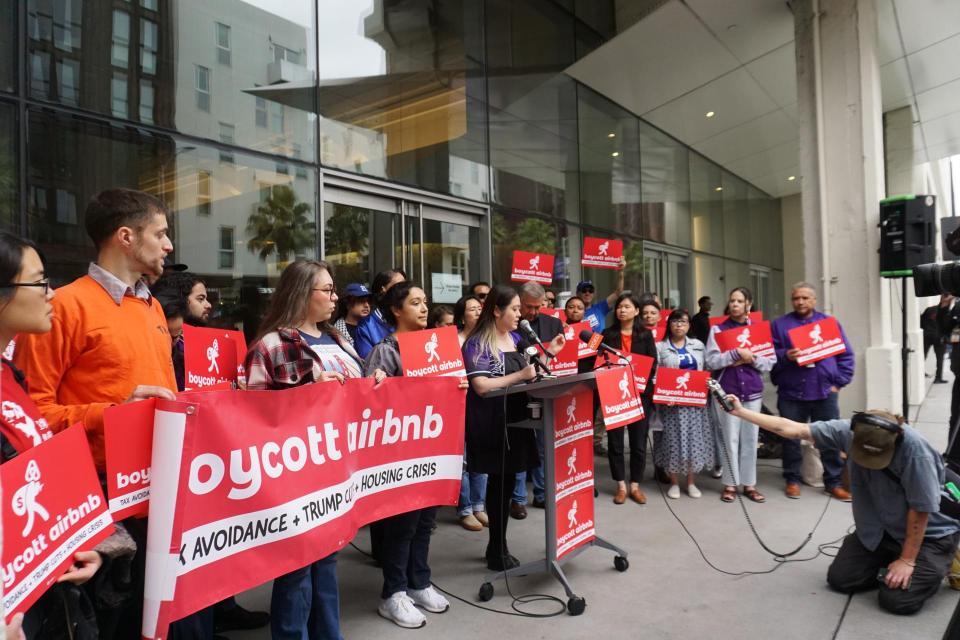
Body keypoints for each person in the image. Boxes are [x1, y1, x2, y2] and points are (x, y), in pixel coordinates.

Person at [14, 189, 178, 639]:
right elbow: (26, 418)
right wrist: (110, 415)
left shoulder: (154, 306)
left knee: (149, 614)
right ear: (126, 236)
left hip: (156, 488)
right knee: (103, 620)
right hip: (98, 497)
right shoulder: (63, 306)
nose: (168, 245)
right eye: (161, 234)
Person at [726, 400, 960, 615]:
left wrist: (908, 561)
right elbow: (793, 429)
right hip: (881, 530)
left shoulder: (916, 453)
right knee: (841, 580)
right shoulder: (848, 430)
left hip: (929, 535)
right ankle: (894, 561)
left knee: (897, 601)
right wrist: (740, 412)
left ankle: (943, 560)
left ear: (897, 438)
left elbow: (920, 511)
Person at [0, 231, 122, 638]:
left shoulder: (11, 376)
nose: (51, 294)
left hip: (46, 590)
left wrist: (72, 546)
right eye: (38, 282)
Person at [244, 259, 363, 640]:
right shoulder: (271, 346)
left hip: (336, 470)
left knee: (327, 559)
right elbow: (251, 416)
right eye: (326, 290)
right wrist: (307, 394)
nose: (335, 297)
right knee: (296, 567)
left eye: (333, 289)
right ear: (300, 293)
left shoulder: (340, 340)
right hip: (294, 475)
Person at [364, 282, 457, 628]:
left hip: (434, 448)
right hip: (401, 455)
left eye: (425, 302)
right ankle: (393, 593)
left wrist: (456, 385)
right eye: (414, 302)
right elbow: (372, 404)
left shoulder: (438, 347)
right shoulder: (385, 350)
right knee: (402, 525)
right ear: (395, 310)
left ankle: (419, 583)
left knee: (424, 523)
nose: (423, 308)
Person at [464, 284, 564, 571]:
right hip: (493, 423)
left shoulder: (517, 337)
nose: (521, 315)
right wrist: (520, 375)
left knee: (507, 485)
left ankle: (498, 544)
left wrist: (550, 354)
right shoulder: (478, 343)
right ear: (496, 310)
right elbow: (481, 385)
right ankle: (496, 548)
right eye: (516, 309)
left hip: (518, 420)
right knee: (498, 484)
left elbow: (531, 373)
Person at [770, 282, 854, 500]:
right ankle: (792, 479)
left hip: (824, 391)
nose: (800, 302)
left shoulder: (829, 323)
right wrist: (786, 355)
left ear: (814, 300)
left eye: (805, 298)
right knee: (790, 438)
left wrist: (839, 383)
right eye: (796, 298)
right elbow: (769, 355)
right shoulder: (780, 325)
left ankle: (833, 482)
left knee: (829, 438)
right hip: (791, 391)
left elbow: (846, 355)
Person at [706, 287, 775, 503]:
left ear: (748, 304)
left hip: (752, 392)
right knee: (730, 438)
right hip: (728, 391)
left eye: (739, 301)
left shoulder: (759, 330)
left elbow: (770, 362)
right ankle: (730, 484)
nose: (735, 304)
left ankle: (749, 484)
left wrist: (751, 358)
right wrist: (735, 354)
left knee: (750, 439)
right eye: (732, 300)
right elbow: (711, 361)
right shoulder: (718, 330)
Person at [510, 282, 563, 517]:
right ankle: (518, 498)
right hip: (517, 391)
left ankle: (542, 494)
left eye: (538, 307)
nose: (533, 312)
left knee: (543, 445)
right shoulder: (511, 325)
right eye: (528, 307)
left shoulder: (553, 323)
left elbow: (562, 358)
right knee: (520, 445)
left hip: (546, 393)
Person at [602, 293, 657, 504]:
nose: (621, 310)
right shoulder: (607, 334)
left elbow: (652, 363)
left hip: (639, 395)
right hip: (613, 394)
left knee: (639, 442)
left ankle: (635, 485)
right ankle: (621, 486)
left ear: (636, 311)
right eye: (619, 307)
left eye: (626, 307)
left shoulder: (646, 336)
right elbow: (597, 358)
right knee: (615, 442)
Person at [655, 308, 713, 499]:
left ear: (689, 325)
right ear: (669, 324)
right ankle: (674, 482)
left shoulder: (698, 345)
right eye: (675, 321)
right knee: (673, 442)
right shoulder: (660, 347)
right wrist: (664, 394)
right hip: (671, 405)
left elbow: (706, 369)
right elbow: (655, 375)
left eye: (683, 322)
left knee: (692, 442)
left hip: (694, 404)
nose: (679, 325)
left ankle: (690, 482)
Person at [452, 294, 487, 531]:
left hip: (482, 404)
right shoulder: (452, 339)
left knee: (481, 456)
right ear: (462, 315)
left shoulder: (487, 338)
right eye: (472, 308)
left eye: (479, 308)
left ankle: (479, 505)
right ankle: (465, 508)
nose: (477, 312)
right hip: (458, 403)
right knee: (462, 459)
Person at [354, 268, 406, 359]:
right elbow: (371, 364)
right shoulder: (366, 326)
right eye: (399, 285)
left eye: (405, 285)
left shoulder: (410, 319)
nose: (404, 290)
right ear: (383, 289)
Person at [576, 257, 626, 332]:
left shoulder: (600, 308)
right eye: (584, 290)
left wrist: (621, 271)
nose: (587, 293)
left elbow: (618, 292)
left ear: (593, 294)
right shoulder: (572, 312)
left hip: (600, 343)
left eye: (590, 290)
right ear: (577, 293)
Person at [333, 282, 372, 347]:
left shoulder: (371, 325)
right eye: (361, 301)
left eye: (368, 301)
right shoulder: (339, 332)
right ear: (347, 304)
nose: (367, 305)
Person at [921, 303, 947, 383]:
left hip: (927, 335)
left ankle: (920, 372)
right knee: (940, 358)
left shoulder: (929, 309)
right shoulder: (945, 312)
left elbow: (921, 321)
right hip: (939, 337)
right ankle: (938, 378)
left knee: (923, 355)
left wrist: (925, 330)